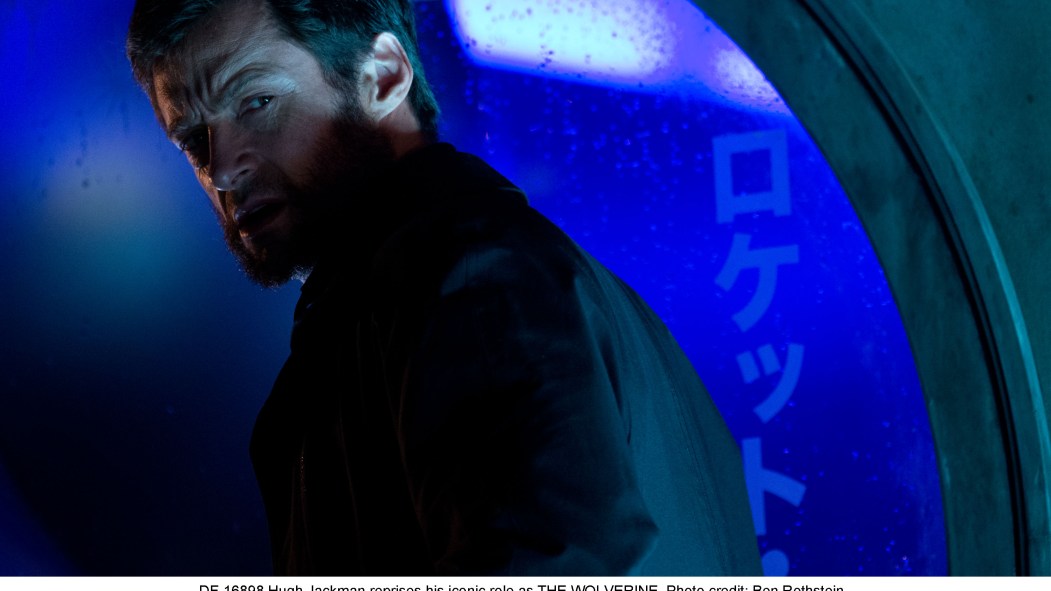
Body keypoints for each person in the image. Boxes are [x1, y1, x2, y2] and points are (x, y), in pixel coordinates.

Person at [126, 0, 761, 576]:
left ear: (382, 76)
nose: (222, 168)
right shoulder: (457, 280)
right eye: (194, 140)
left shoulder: (471, 273)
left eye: (257, 102)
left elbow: (551, 558)